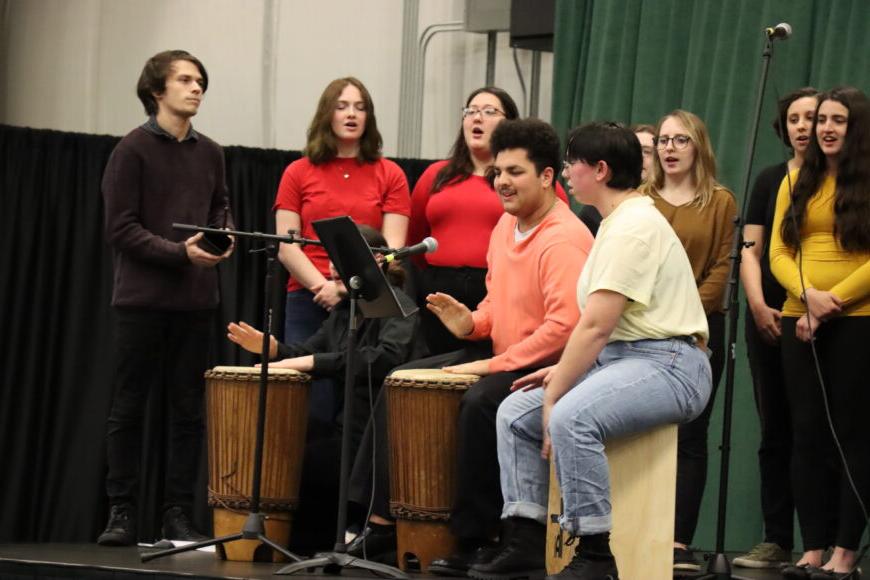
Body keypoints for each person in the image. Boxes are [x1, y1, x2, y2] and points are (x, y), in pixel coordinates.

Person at [347, 119, 594, 574]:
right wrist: (470, 322)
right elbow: (497, 305)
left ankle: (474, 538)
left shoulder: (564, 237)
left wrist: (490, 364)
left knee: (482, 403)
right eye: (498, 172)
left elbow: (565, 327)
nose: (502, 181)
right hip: (504, 353)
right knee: (400, 380)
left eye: (515, 172)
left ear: (546, 177)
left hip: (549, 366)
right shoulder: (505, 226)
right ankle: (379, 521)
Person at [478, 122, 712, 580]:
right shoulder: (614, 223)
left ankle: (597, 555)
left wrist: (558, 390)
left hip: (670, 364)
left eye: (571, 163)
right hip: (623, 361)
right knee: (512, 413)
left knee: (570, 416)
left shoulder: (634, 227)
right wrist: (560, 379)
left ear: (600, 170)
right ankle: (525, 539)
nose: (565, 172)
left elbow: (596, 326)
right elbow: (600, 337)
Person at [98, 50, 234, 546]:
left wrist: (225, 235)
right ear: (157, 90)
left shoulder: (211, 151)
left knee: (188, 411)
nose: (196, 88)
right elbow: (120, 228)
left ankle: (176, 511)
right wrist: (180, 253)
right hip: (141, 301)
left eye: (200, 80)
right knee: (129, 407)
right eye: (184, 80)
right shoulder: (131, 150)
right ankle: (122, 511)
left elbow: (220, 206)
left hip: (196, 302)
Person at [771, 86, 870, 580]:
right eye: (822, 120)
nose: (825, 129)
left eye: (838, 121)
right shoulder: (796, 180)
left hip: (857, 320)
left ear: (858, 128)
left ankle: (846, 551)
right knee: (806, 433)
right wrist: (806, 296)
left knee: (853, 435)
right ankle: (812, 546)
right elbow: (778, 252)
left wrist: (830, 305)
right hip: (800, 317)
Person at [273, 77, 410, 428]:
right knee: (309, 408)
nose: (352, 114)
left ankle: (351, 483)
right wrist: (324, 286)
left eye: (361, 107)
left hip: (367, 301)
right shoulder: (298, 172)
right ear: (326, 114)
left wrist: (346, 287)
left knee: (356, 409)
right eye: (343, 106)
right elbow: (287, 246)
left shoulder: (389, 173)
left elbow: (391, 250)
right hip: (307, 297)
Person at [226, 225, 419, 458]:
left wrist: (315, 362)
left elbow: (385, 359)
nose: (332, 268)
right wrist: (275, 349)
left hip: (384, 435)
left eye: (341, 260)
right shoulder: (343, 310)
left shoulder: (400, 305)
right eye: (331, 259)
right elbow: (307, 352)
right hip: (346, 429)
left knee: (305, 465)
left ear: (377, 260)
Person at [639, 109, 737, 571]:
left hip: (697, 329)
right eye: (663, 140)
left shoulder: (720, 202)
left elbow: (722, 267)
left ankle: (678, 539)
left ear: (699, 146)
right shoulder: (639, 200)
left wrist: (687, 316)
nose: (669, 148)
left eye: (680, 140)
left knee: (690, 435)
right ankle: (640, 528)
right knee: (643, 434)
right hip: (643, 329)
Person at [732, 87, 818, 570]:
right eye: (794, 119)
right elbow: (751, 249)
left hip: (821, 318)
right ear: (782, 128)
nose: (803, 127)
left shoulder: (841, 180)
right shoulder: (768, 179)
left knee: (816, 431)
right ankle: (776, 539)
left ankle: (819, 543)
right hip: (768, 317)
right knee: (775, 431)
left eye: (812, 117)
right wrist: (759, 304)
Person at [408, 87, 519, 355]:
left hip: (497, 292)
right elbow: (415, 239)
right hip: (438, 294)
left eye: (489, 111)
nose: (477, 118)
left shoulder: (521, 179)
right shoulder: (436, 175)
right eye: (471, 111)